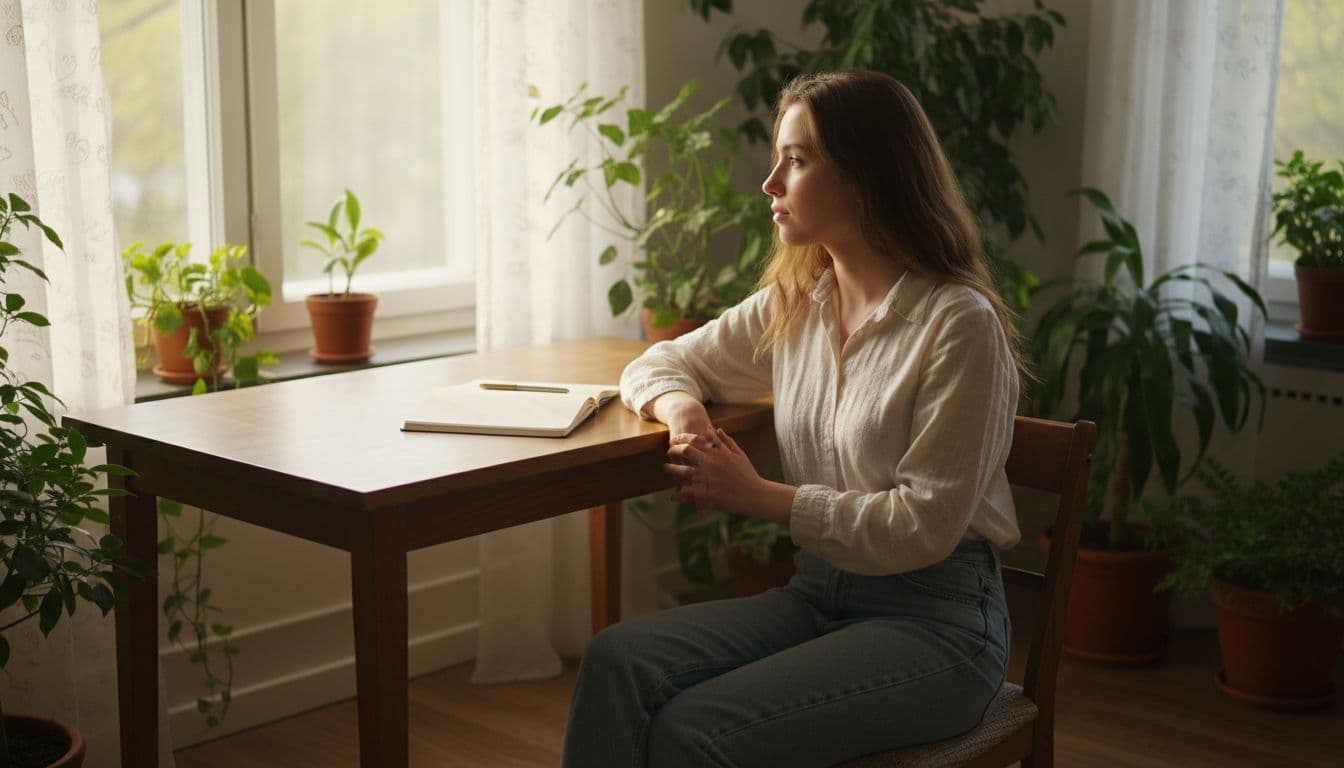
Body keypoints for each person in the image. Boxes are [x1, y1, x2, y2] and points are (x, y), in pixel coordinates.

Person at [561, 69, 1024, 768]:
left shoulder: (958, 323)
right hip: (820, 593)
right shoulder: (801, 301)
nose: (770, 183)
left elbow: (923, 526)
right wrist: (686, 415)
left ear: (868, 176)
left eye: (798, 160)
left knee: (696, 729)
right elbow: (658, 364)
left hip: (941, 623)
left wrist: (759, 497)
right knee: (617, 660)